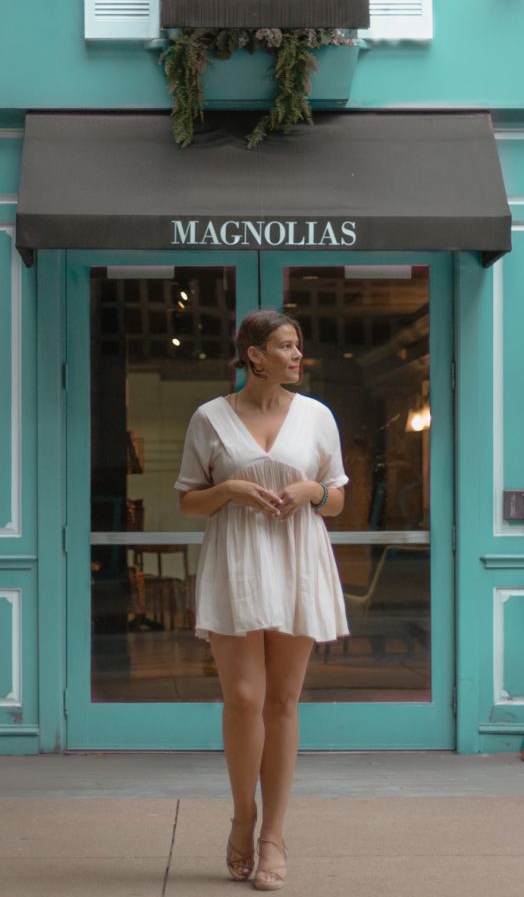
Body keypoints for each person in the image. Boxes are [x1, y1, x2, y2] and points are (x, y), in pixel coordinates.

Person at [175, 308, 349, 891]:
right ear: (254, 355)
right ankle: (242, 818)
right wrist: (227, 489)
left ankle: (273, 835)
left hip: (298, 558)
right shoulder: (210, 418)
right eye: (286, 346)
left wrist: (313, 490)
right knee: (244, 699)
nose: (297, 356)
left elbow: (338, 500)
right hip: (237, 561)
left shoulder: (317, 417)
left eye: (298, 346)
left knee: (283, 702)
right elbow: (188, 502)